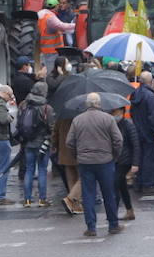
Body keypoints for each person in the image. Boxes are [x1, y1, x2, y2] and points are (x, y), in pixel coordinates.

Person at [66, 92, 123, 237]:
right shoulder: (108, 119)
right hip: (105, 160)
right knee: (109, 193)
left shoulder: (77, 120)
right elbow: (118, 140)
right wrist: (114, 155)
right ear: (99, 104)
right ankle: (113, 224)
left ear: (87, 104)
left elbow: (69, 142)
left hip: (85, 162)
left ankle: (91, 226)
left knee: (88, 194)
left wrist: (77, 155)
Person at [17, 81, 54, 207]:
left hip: (27, 143)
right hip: (42, 143)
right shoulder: (46, 108)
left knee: (29, 170)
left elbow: (19, 124)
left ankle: (27, 200)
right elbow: (51, 127)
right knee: (42, 170)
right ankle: (42, 199)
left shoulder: (23, 105)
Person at [113, 104, 140, 222]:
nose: (114, 114)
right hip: (115, 159)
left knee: (115, 184)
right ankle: (129, 210)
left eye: (116, 111)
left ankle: (113, 213)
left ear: (122, 112)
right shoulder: (112, 125)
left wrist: (135, 163)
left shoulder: (128, 125)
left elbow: (135, 144)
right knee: (122, 185)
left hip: (125, 160)